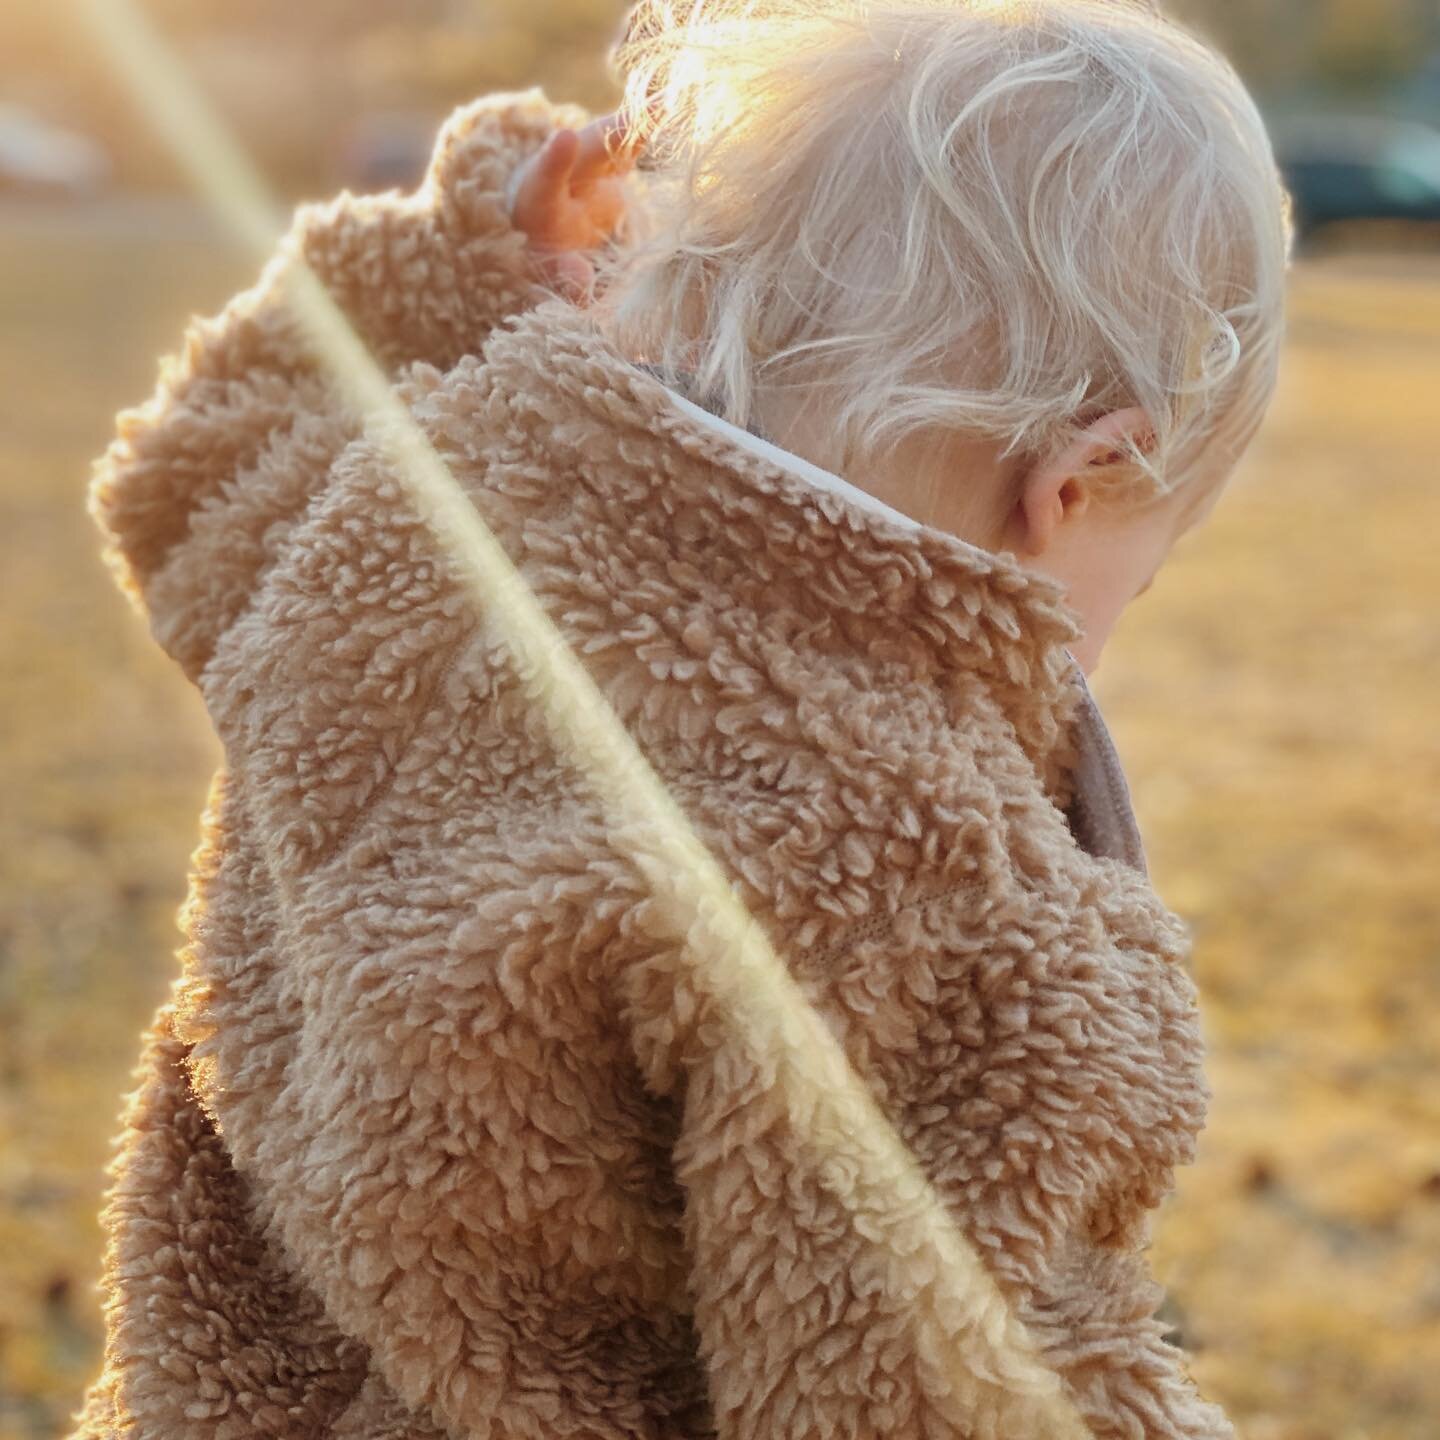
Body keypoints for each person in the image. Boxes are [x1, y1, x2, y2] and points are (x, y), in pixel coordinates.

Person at [72, 3, 1290, 1439]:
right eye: (1134, 587)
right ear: (1080, 480)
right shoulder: (935, 896)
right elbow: (952, 1388)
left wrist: (454, 253)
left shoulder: (423, 496)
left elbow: (191, 476)